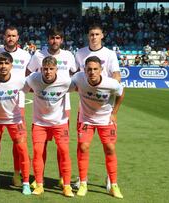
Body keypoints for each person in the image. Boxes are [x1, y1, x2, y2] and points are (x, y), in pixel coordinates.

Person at [27, 27, 77, 189]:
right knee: (41, 146)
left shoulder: (68, 55)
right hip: (42, 107)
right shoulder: (38, 55)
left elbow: (75, 75)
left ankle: (63, 176)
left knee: (62, 146)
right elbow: (28, 73)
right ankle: (38, 178)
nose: (55, 41)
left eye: (58, 38)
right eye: (52, 38)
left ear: (61, 40)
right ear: (48, 39)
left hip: (63, 106)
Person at [0, 26, 31, 187]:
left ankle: (17, 174)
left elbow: (29, 76)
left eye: (13, 36)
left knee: (18, 144)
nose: (10, 38)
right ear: (4, 36)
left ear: (18, 37)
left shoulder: (25, 55)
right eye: (8, 35)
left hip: (18, 102)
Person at [70, 56, 124, 199]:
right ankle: (83, 183)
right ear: (84, 70)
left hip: (105, 119)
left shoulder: (111, 83)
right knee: (83, 147)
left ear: (101, 70)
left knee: (110, 148)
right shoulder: (78, 78)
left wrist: (114, 113)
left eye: (95, 69)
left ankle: (113, 185)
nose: (92, 72)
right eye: (89, 69)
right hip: (86, 119)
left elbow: (121, 94)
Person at [74, 24, 121, 190]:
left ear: (102, 36)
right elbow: (75, 75)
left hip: (104, 105)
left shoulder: (109, 54)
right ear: (88, 36)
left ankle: (110, 178)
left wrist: (109, 90)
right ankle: (81, 179)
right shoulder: (80, 53)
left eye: (97, 34)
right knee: (83, 144)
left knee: (108, 146)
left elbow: (116, 75)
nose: (94, 37)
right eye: (91, 34)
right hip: (85, 106)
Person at [24, 56, 74, 197]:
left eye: (51, 69)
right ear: (41, 69)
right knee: (38, 152)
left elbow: (80, 89)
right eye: (45, 69)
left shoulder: (65, 81)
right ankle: (39, 184)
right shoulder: (33, 78)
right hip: (40, 123)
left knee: (64, 152)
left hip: (60, 123)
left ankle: (67, 185)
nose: (48, 72)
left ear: (56, 69)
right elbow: (22, 87)